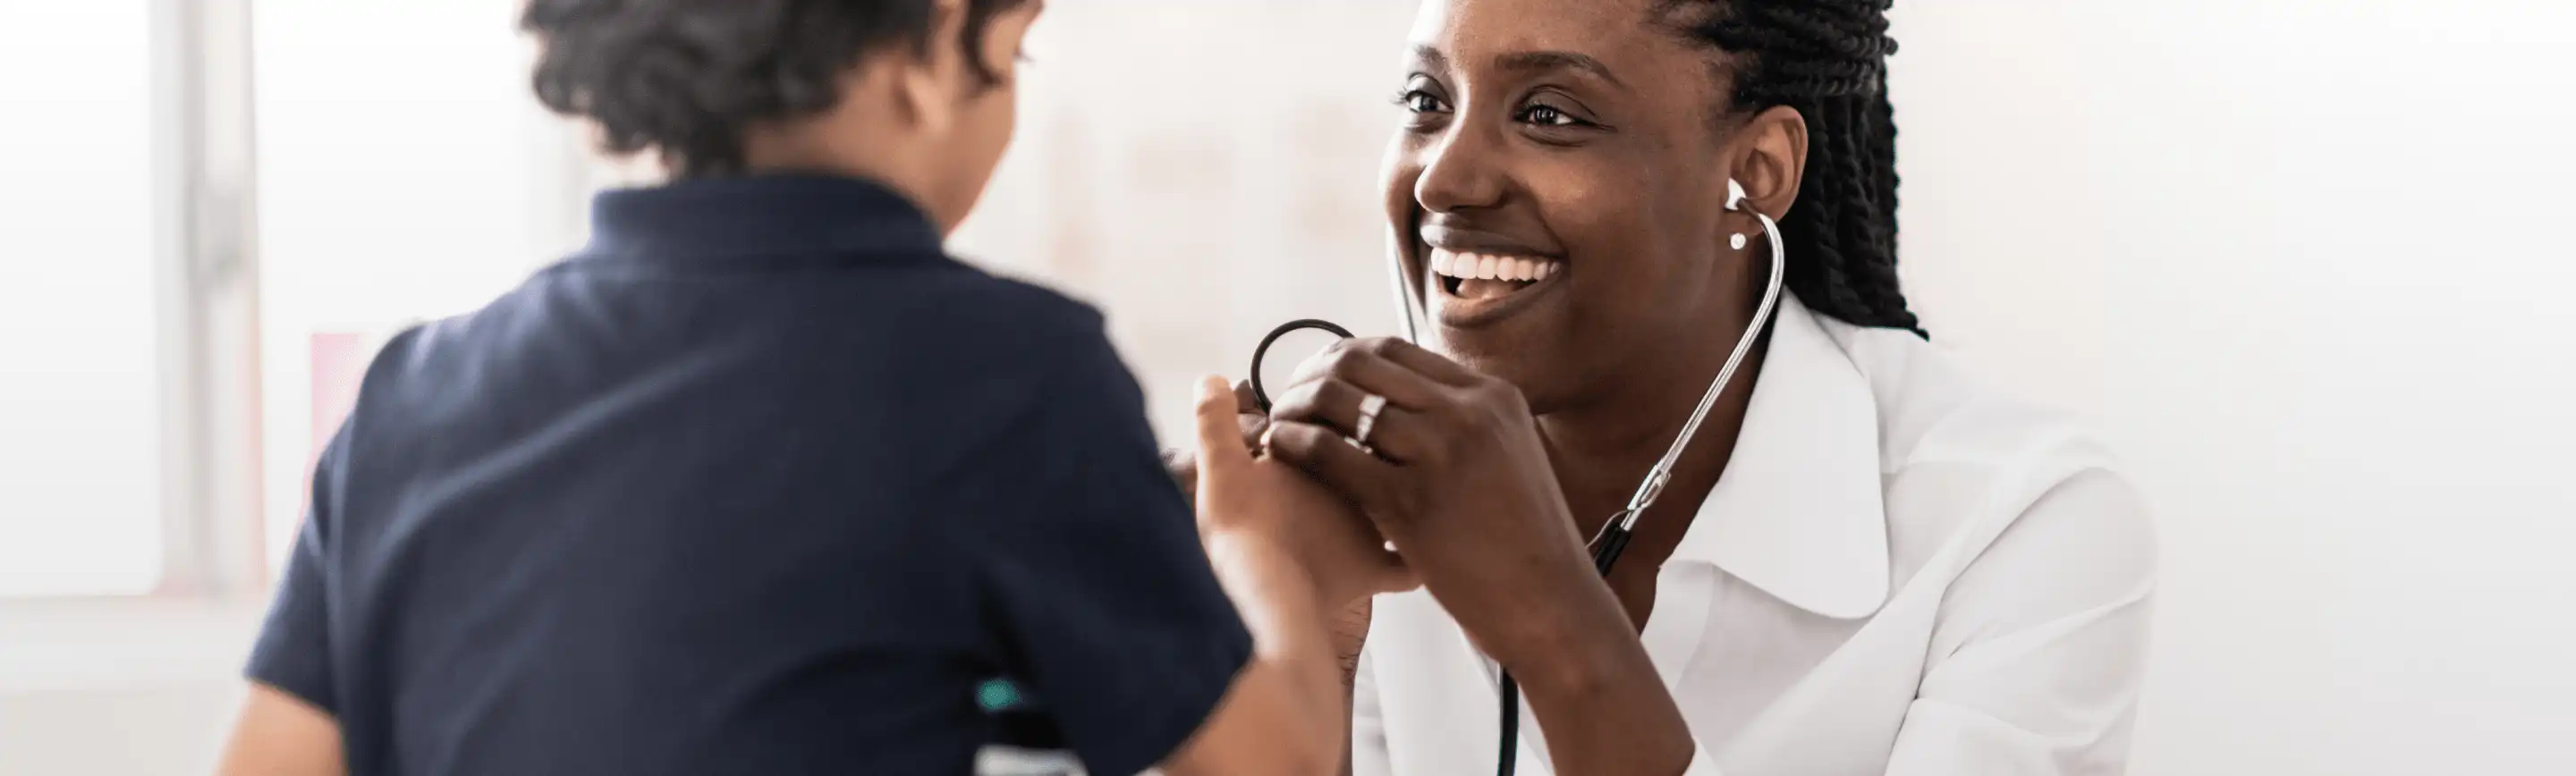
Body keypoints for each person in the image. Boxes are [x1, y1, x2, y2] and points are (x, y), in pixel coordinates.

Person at [214, 1, 1407, 774]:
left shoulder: (414, 392)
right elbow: (1273, 766)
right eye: (1021, 49)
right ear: (942, 48)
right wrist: (1265, 552)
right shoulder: (1005, 371)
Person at [1242, 0, 2158, 773]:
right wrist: (1295, 668)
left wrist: (1552, 618)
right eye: (1426, 99)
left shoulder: (2024, 516)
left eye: (1550, 114)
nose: (1447, 175)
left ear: (1755, 173)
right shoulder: (1361, 486)